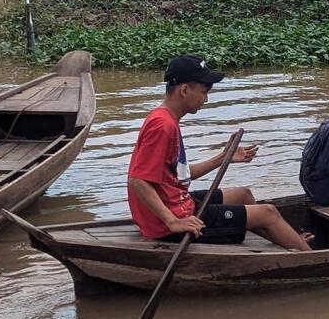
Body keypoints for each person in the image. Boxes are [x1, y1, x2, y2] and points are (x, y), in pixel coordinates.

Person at [127, 54, 311, 250]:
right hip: (171, 223)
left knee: (243, 194)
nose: (205, 99)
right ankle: (313, 260)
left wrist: (224, 158)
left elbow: (178, 176)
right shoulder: (163, 126)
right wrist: (172, 221)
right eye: (204, 92)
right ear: (184, 90)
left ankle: (290, 242)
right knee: (269, 213)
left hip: (179, 204)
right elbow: (137, 180)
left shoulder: (164, 119)